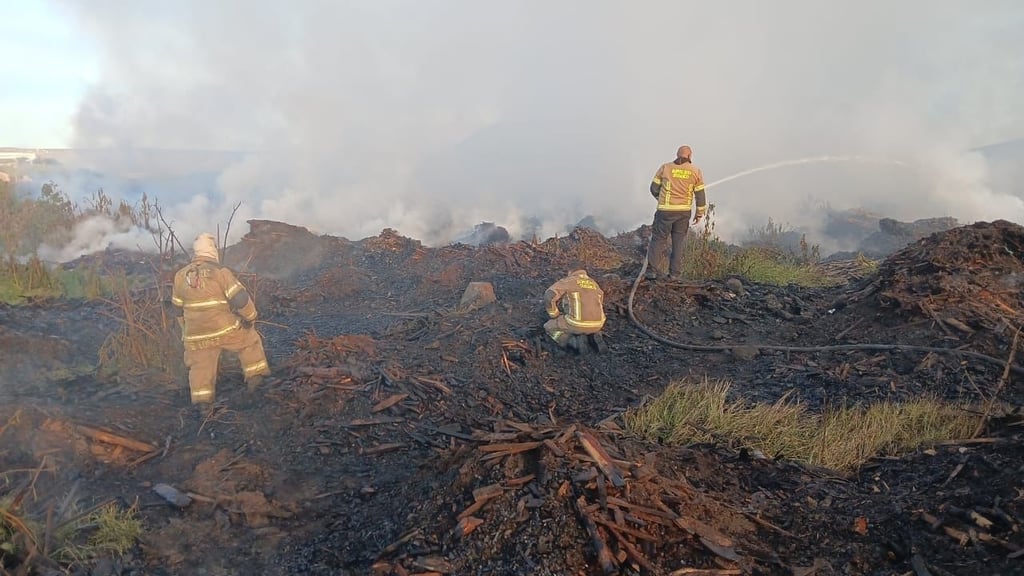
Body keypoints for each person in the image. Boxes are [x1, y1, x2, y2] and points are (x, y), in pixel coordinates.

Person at [170, 232, 270, 408]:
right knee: (249, 341)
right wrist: (250, 317)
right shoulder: (220, 273)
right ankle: (256, 381)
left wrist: (187, 332)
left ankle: (203, 404)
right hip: (225, 330)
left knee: (200, 367)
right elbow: (240, 299)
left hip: (196, 337)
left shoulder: (180, 276)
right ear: (213, 251)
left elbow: (177, 309)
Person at [646, 145, 707, 280]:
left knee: (658, 240)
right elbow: (700, 195)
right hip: (683, 213)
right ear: (690, 156)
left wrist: (659, 198)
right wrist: (699, 213)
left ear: (677, 154)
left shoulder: (665, 168)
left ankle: (651, 272)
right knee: (678, 243)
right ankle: (674, 274)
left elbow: (653, 188)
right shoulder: (695, 171)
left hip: (665, 212)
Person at [542, 268, 607, 354]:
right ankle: (594, 335)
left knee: (548, 327)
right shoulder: (594, 284)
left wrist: (554, 314)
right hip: (598, 324)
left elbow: (549, 295)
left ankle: (572, 342)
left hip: (576, 323)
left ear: (570, 272)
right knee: (587, 326)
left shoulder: (569, 281)